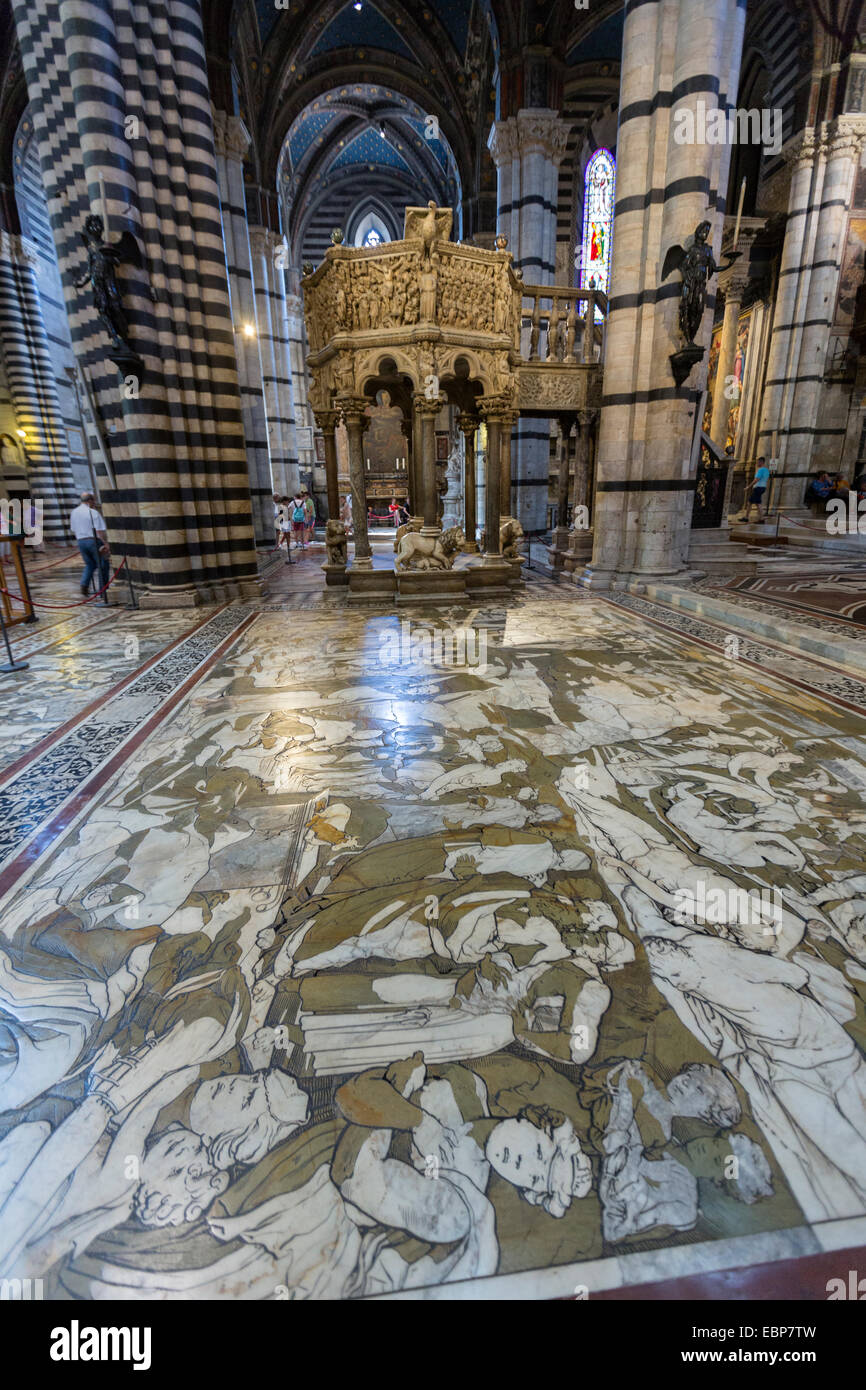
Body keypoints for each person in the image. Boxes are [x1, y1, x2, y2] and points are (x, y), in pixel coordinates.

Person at [69, 490, 110, 596]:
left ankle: (84, 584)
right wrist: (105, 543)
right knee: (103, 565)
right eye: (93, 501)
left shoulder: (74, 512)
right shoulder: (92, 512)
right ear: (89, 501)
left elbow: (73, 528)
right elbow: (99, 530)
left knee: (90, 564)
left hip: (81, 541)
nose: (94, 504)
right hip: (93, 541)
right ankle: (103, 591)